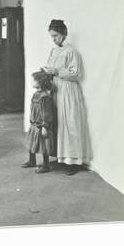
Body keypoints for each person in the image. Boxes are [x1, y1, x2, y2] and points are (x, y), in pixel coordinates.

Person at [43, 19, 92, 175]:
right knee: (57, 123)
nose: (54, 39)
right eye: (52, 36)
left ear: (64, 34)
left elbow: (77, 73)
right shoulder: (53, 51)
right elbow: (50, 68)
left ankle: (73, 162)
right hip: (56, 89)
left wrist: (57, 72)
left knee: (69, 123)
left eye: (56, 36)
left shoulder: (72, 51)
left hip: (68, 91)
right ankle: (60, 157)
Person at [21, 70, 54, 173]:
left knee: (43, 146)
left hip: (41, 125)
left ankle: (46, 165)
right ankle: (32, 161)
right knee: (32, 143)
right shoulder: (36, 94)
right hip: (34, 124)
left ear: (40, 82)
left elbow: (46, 112)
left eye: (34, 80)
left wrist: (45, 126)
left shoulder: (44, 97)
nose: (32, 82)